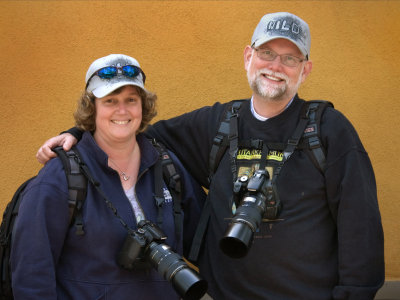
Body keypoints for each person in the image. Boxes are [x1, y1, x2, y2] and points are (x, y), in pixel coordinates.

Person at [36, 12, 385, 300]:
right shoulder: (217, 123)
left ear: (305, 69)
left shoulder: (328, 129)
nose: (276, 66)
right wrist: (77, 133)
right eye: (267, 53)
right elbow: (130, 130)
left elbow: (361, 224)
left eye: (290, 58)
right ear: (249, 56)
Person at [11, 54, 206, 300]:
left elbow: (204, 244)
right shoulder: (61, 179)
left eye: (131, 100)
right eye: (110, 100)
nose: (122, 110)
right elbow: (31, 277)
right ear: (92, 108)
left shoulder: (167, 167)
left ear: (142, 106)